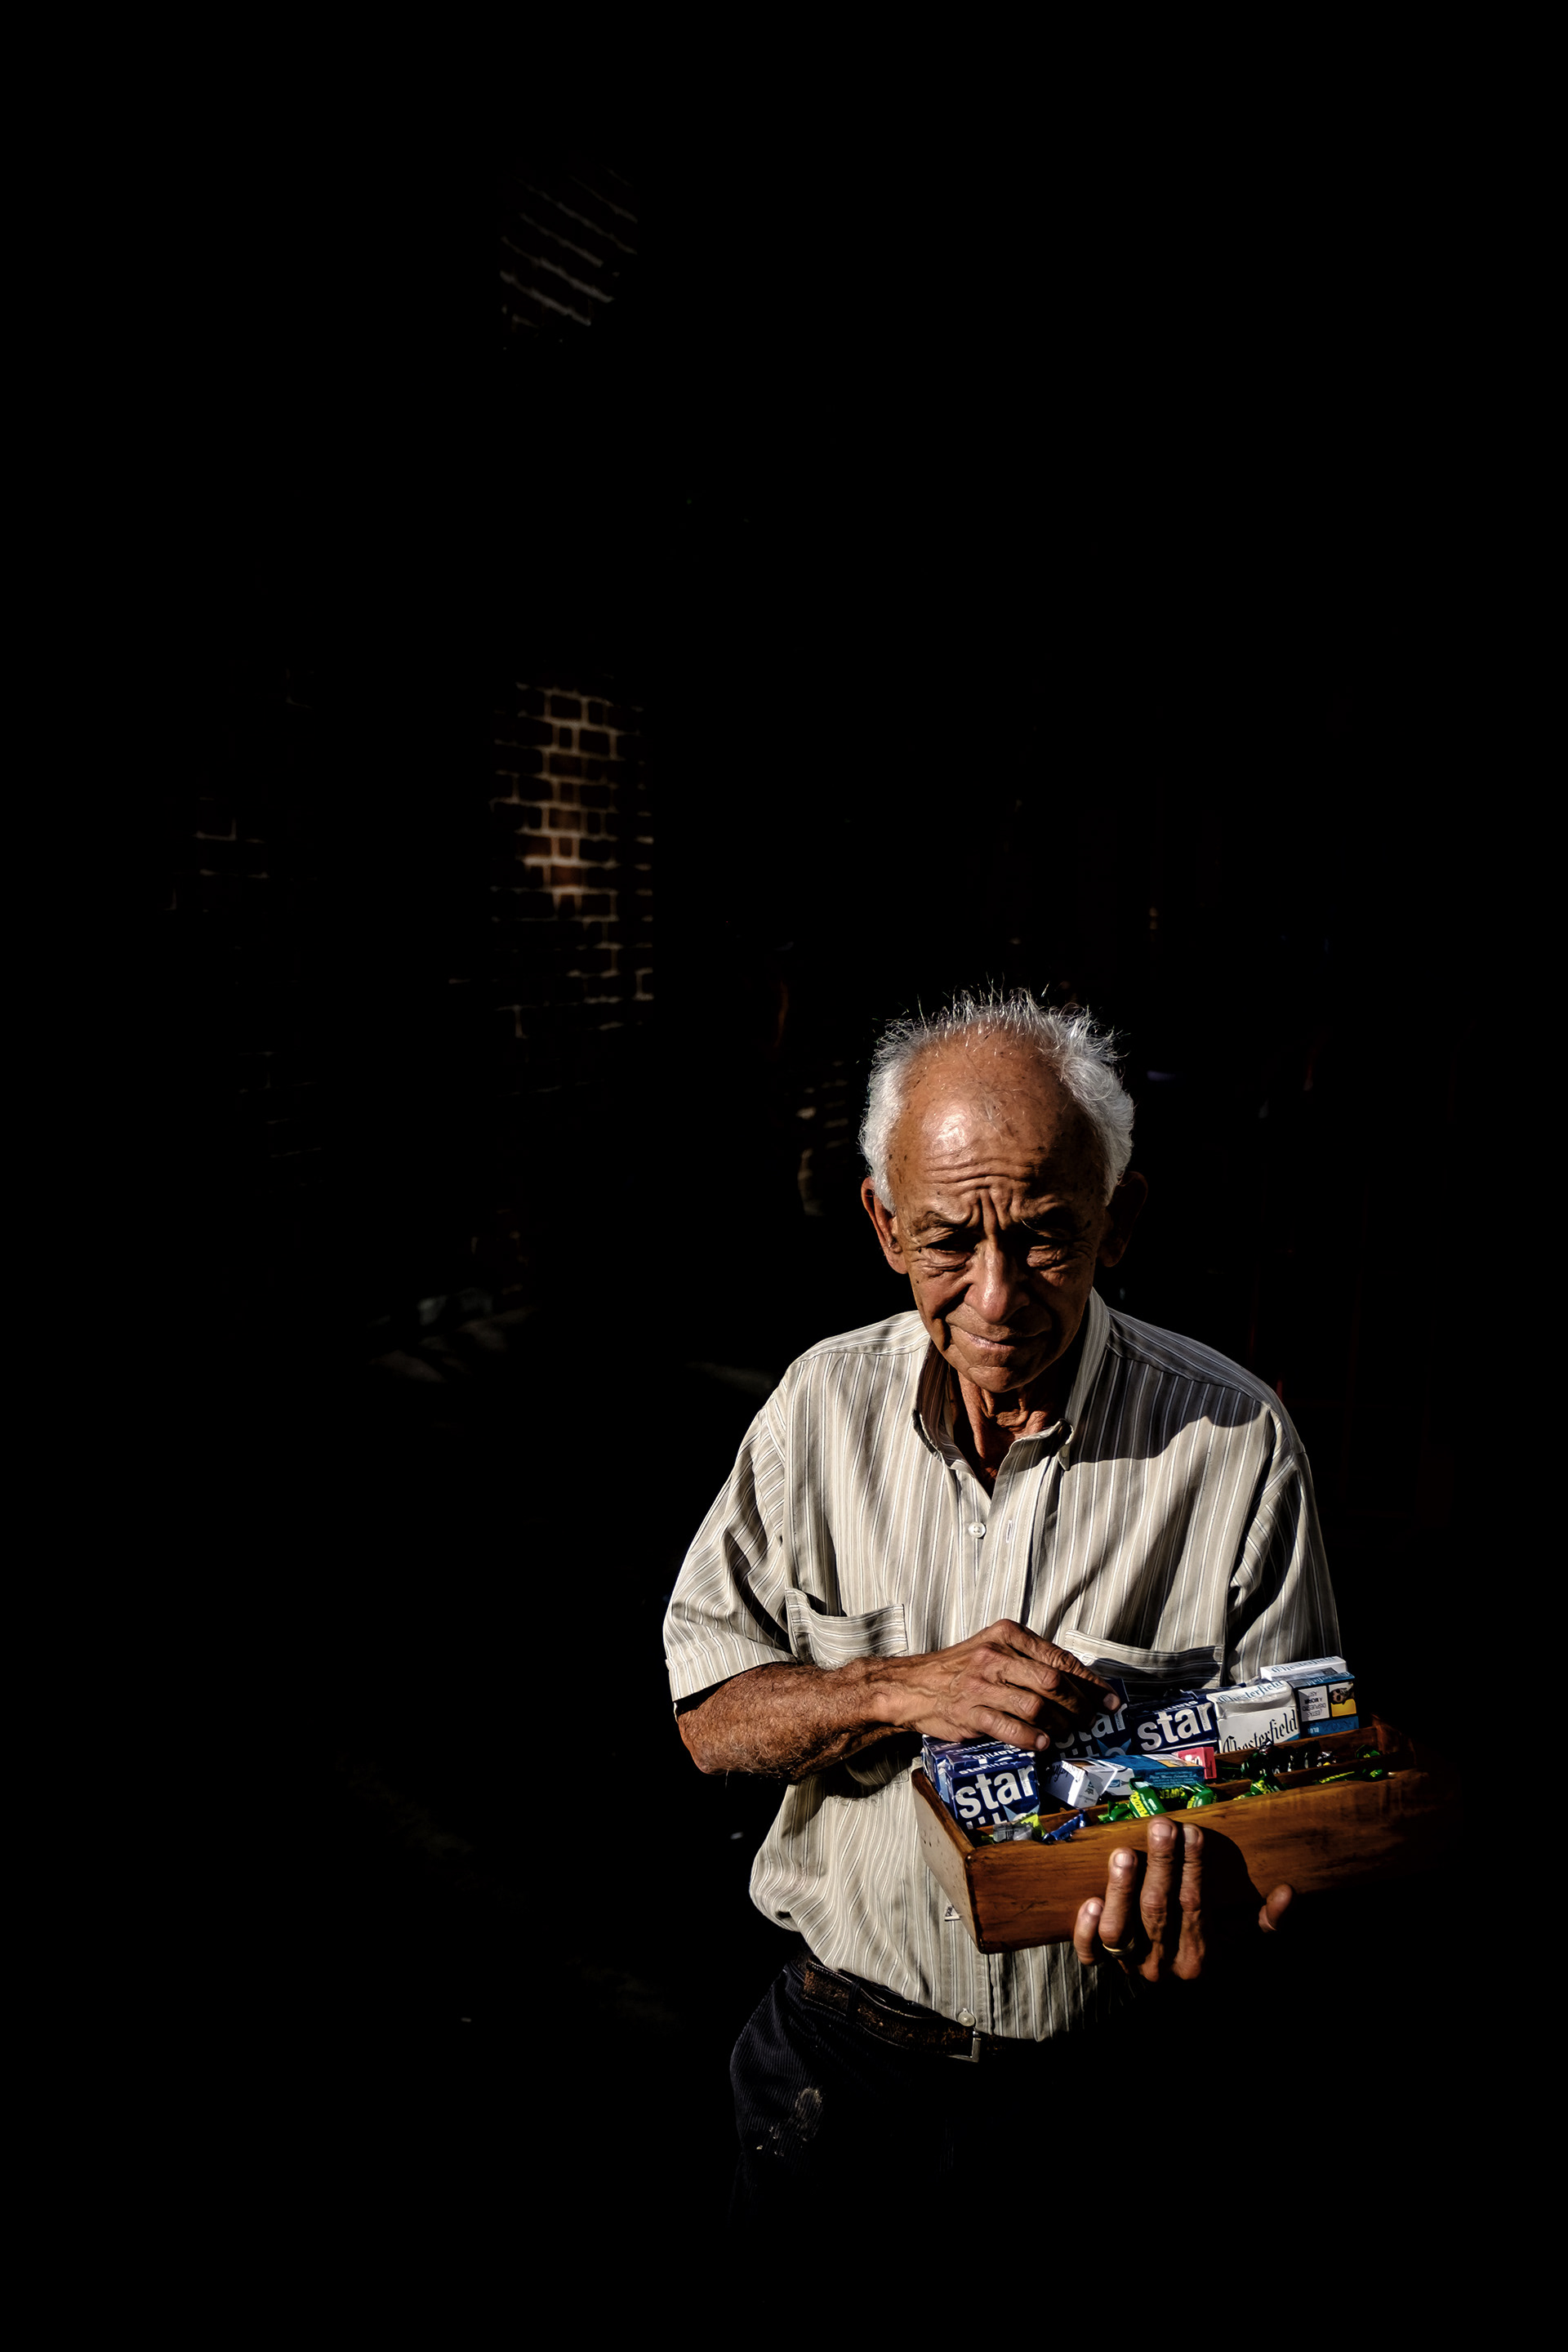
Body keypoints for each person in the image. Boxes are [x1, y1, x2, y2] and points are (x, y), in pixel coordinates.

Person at [662, 990, 1339, 2210]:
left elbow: (1298, 1791)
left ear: (1118, 1221)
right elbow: (710, 1716)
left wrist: (1224, 1900)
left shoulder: (1234, 1441)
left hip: (1110, 2089)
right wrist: (901, 1686)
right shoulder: (816, 1408)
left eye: (1042, 1236)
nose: (995, 1298)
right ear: (882, 1225)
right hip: (836, 2062)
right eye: (945, 1243)